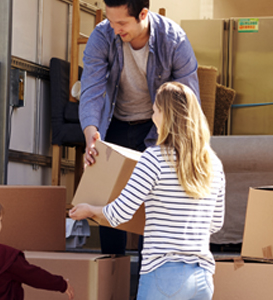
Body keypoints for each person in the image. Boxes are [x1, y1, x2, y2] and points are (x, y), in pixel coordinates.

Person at [71, 82, 225, 300]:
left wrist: (89, 210)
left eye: (154, 111)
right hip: (202, 278)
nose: (153, 117)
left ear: (165, 115)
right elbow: (215, 223)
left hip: (163, 275)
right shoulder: (213, 164)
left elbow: (119, 213)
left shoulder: (154, 159)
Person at [79, 0, 201, 256]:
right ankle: (111, 277)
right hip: (114, 125)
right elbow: (91, 90)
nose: (115, 29)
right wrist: (91, 134)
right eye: (111, 21)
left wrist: (181, 149)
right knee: (109, 197)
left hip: (158, 128)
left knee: (155, 201)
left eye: (121, 23)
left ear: (143, 14)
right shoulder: (102, 36)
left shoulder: (174, 40)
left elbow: (188, 100)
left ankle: (149, 274)